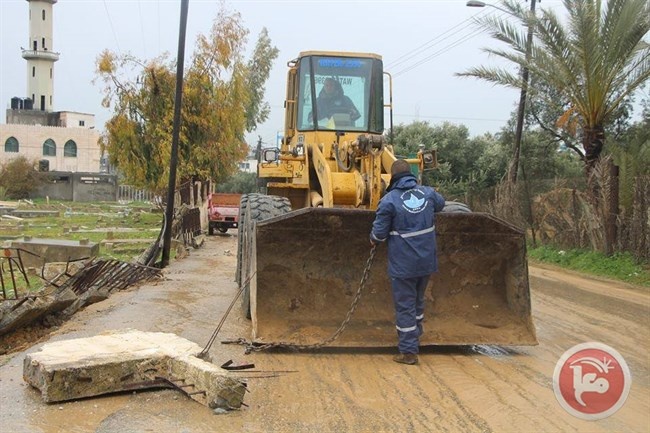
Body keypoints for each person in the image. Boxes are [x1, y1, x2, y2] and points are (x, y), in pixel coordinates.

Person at [370, 159, 445, 365]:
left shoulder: (388, 201)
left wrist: (373, 240)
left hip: (403, 266)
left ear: (392, 178)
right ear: (411, 174)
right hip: (426, 263)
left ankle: (409, 351)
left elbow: (379, 234)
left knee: (405, 307)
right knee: (418, 302)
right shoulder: (428, 193)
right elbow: (441, 204)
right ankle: (416, 335)